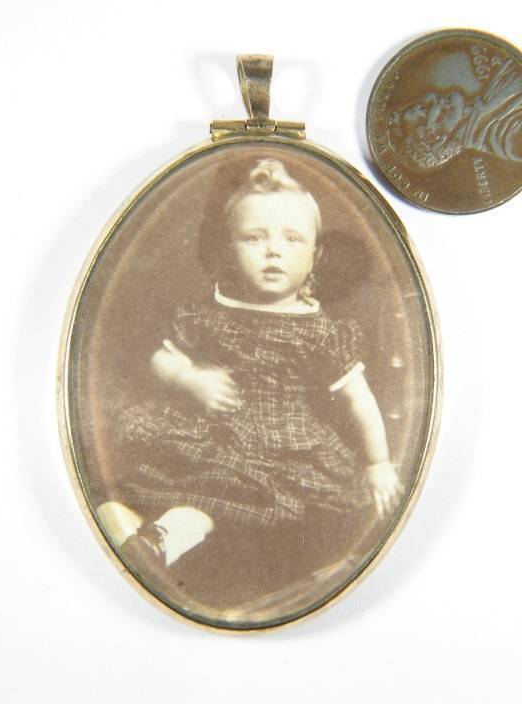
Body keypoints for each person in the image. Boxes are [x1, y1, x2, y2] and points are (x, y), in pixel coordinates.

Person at [97, 158, 403, 609]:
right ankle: (138, 525)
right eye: (254, 238)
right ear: (229, 250)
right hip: (209, 430)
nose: (273, 251)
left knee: (241, 496)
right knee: (187, 477)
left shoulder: (320, 331)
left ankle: (161, 539)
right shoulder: (210, 312)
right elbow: (162, 358)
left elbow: (359, 399)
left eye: (292, 239)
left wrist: (377, 463)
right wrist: (189, 378)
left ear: (316, 255)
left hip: (281, 442)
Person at [388, 58, 522, 169]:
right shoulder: (509, 139)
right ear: (436, 138)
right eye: (425, 109)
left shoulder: (485, 105)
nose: (431, 96)